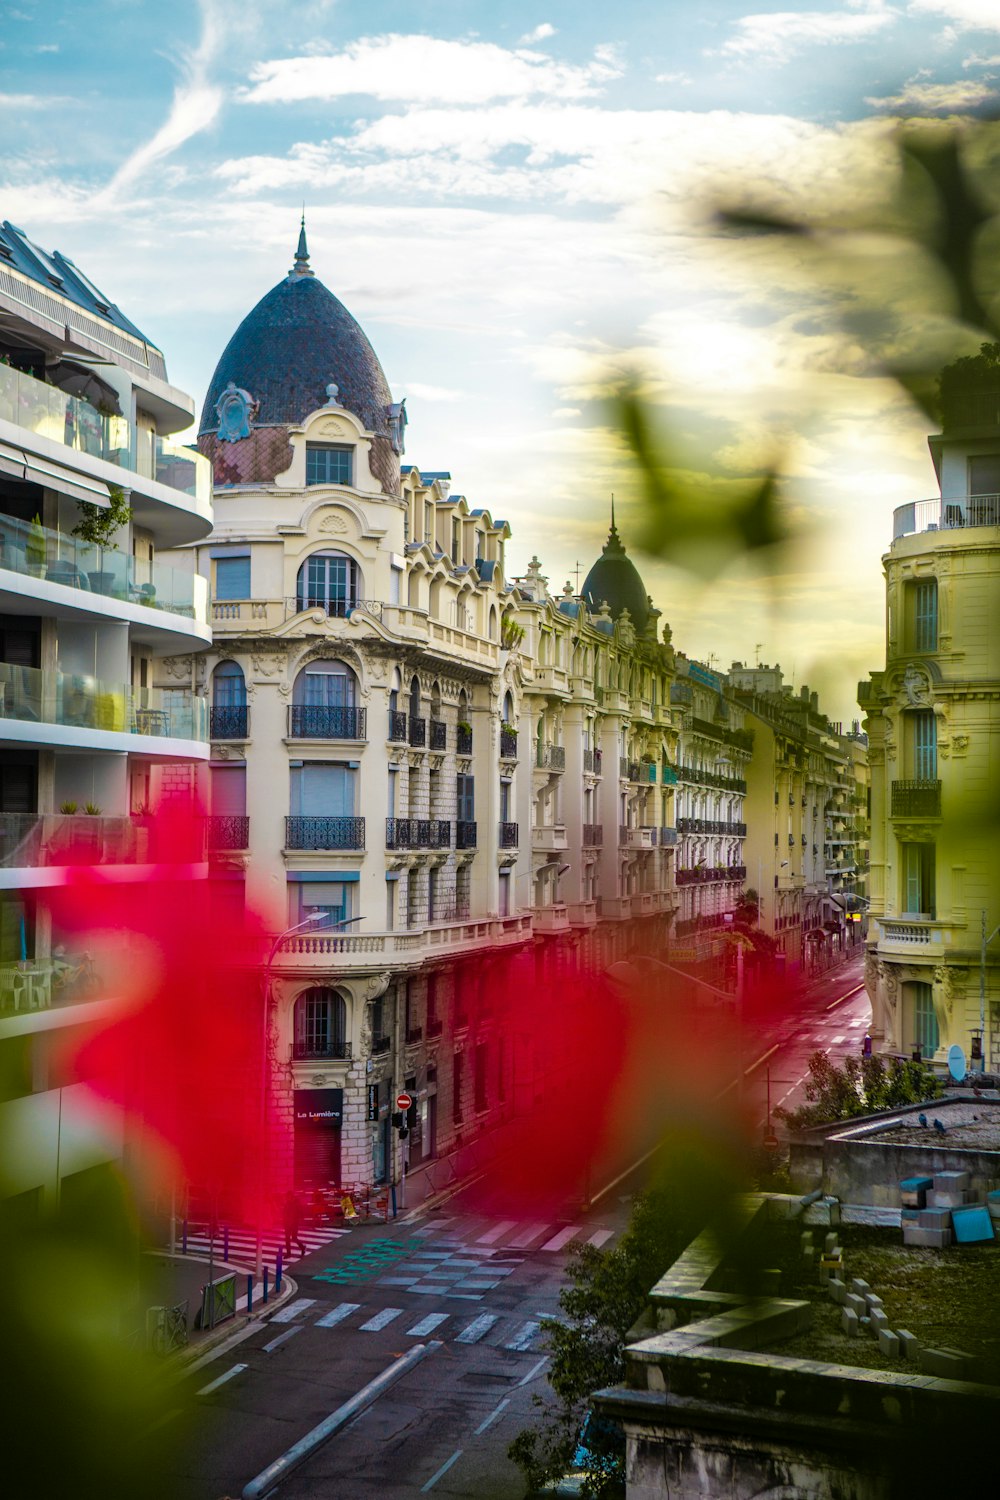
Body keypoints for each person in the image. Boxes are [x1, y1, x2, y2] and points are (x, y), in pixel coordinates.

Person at [282, 1189, 307, 1260]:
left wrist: (296, 1220)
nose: (287, 1198)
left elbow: (300, 1213)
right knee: (287, 1239)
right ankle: (288, 1253)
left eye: (288, 1197)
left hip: (294, 1224)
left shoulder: (296, 1203)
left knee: (294, 1238)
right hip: (287, 1223)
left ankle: (303, 1247)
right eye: (287, 1197)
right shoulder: (287, 1203)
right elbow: (285, 1213)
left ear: (291, 1196)